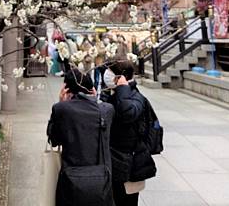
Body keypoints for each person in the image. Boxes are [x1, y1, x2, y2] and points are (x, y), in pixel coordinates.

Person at [47, 68, 115, 206]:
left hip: (71, 180)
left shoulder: (61, 109)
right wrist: (95, 99)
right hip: (101, 180)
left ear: (66, 89)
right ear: (92, 89)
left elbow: (54, 140)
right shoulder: (107, 110)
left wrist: (61, 102)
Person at [101, 60, 156, 206]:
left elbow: (127, 113)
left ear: (121, 77)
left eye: (110, 72)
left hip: (129, 164)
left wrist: (123, 88)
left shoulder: (136, 98)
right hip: (115, 162)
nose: (106, 75)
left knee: (126, 201)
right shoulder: (116, 94)